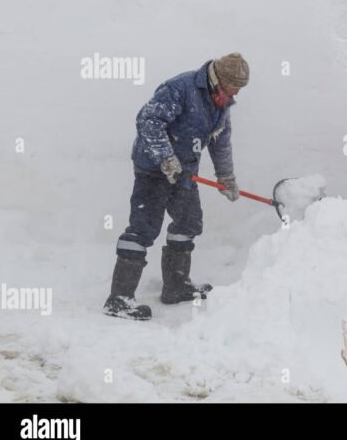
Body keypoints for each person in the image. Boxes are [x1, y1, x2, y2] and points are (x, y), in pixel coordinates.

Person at [103, 53, 249, 321]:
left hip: (185, 173)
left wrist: (225, 176)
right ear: (219, 80)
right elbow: (148, 121)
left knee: (189, 223)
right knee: (143, 229)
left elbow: (220, 140)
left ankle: (176, 287)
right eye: (234, 86)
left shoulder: (221, 102)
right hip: (154, 170)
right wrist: (166, 159)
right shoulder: (181, 88)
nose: (237, 92)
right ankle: (119, 299)